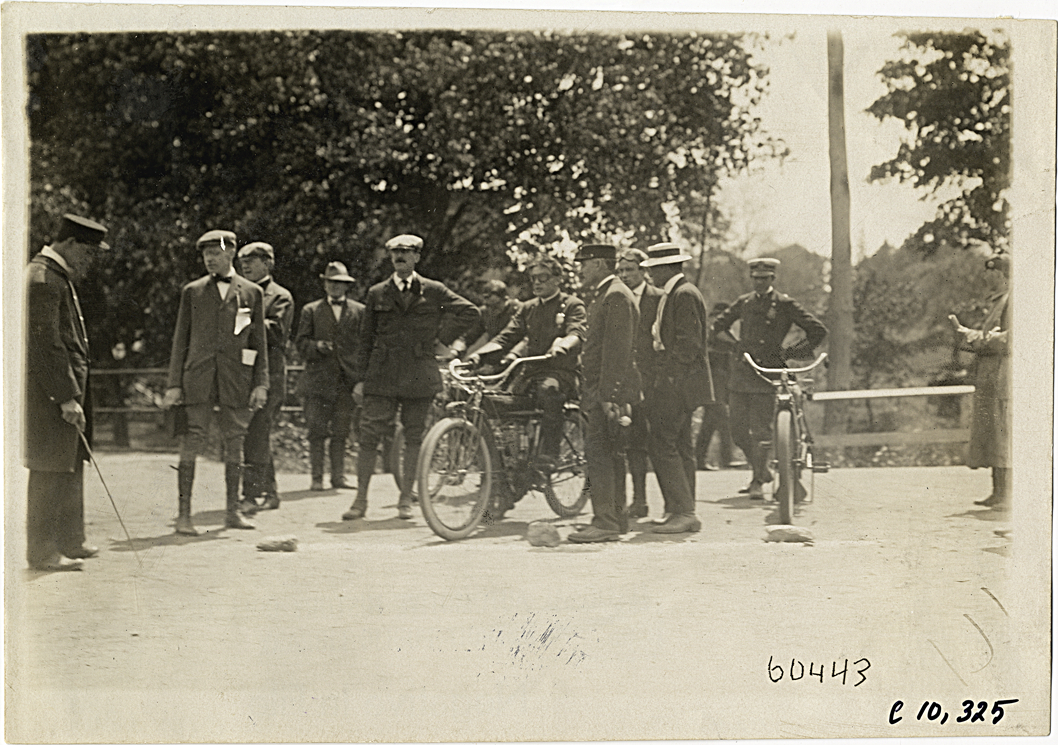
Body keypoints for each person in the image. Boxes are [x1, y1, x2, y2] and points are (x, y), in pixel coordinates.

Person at [344, 234, 479, 521]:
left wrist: (440, 340)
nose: (400, 257)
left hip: (419, 375)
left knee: (414, 438)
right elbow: (365, 338)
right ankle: (360, 500)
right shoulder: (377, 293)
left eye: (406, 252)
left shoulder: (434, 291)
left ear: (417, 257)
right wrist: (360, 378)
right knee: (369, 437)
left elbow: (470, 313)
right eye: (395, 252)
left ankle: (405, 500)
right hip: (382, 376)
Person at [163, 230, 269, 534]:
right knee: (191, 441)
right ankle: (184, 516)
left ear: (231, 253)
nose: (209, 258)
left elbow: (257, 342)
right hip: (198, 379)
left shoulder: (251, 293)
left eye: (216, 252)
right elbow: (179, 340)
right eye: (205, 253)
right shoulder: (192, 291)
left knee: (235, 442)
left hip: (236, 379)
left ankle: (232, 513)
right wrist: (174, 384)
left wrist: (260, 383)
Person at [24, 214, 109, 571]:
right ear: (70, 244)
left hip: (67, 387)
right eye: (88, 253)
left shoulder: (56, 276)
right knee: (50, 468)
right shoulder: (43, 278)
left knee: (71, 463)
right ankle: (42, 552)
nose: (89, 262)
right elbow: (46, 345)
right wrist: (65, 396)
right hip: (52, 394)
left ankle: (71, 541)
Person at [712, 258, 827, 500]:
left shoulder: (785, 304)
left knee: (762, 430)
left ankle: (756, 479)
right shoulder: (743, 303)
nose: (760, 283)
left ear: (773, 279)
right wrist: (735, 347)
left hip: (769, 374)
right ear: (751, 279)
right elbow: (717, 327)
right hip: (743, 373)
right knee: (738, 431)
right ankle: (762, 469)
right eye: (756, 278)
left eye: (765, 279)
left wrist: (790, 353)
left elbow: (818, 331)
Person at [467, 255, 586, 476]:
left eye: (544, 278)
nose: (538, 283)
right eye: (534, 279)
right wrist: (478, 355)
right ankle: (507, 465)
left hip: (560, 373)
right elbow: (506, 337)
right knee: (498, 404)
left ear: (558, 279)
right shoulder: (527, 308)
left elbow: (576, 332)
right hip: (530, 373)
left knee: (548, 391)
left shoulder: (571, 304)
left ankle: (549, 454)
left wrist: (563, 345)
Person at [568, 244, 640, 543]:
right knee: (612, 454)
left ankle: (605, 522)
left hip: (607, 392)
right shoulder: (611, 293)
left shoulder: (614, 295)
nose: (579, 270)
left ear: (598, 264)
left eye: (583, 264)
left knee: (600, 455)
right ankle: (615, 519)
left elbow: (617, 351)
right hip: (607, 390)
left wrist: (609, 395)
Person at [640, 243, 714, 534]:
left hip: (679, 384)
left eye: (654, 269)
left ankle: (683, 510)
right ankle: (680, 508)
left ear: (667, 268)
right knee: (681, 446)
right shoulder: (677, 293)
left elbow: (687, 344)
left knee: (661, 443)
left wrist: (667, 378)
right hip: (682, 382)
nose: (650, 275)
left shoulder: (683, 294)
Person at [295, 262, 364, 491]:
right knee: (316, 430)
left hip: (346, 381)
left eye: (340, 284)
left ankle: (338, 476)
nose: (335, 287)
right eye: (331, 282)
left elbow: (365, 346)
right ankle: (316, 478)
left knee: (341, 431)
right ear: (325, 284)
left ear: (347, 286)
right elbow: (300, 343)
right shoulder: (311, 311)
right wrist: (316, 346)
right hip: (318, 381)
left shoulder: (359, 311)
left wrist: (360, 378)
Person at [951, 244, 1011, 510]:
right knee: (992, 432)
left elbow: (1009, 338)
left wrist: (972, 336)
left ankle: (1006, 493)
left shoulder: (1013, 300)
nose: (988, 278)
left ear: (1004, 275)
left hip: (1004, 376)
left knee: (1002, 432)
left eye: (994, 273)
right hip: (990, 376)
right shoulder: (998, 301)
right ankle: (997, 492)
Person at [236, 242, 294, 512]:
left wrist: (243, 319)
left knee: (256, 432)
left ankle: (250, 495)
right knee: (256, 434)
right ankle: (270, 492)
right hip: (246, 373)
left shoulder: (280, 296)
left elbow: (275, 333)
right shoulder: (241, 294)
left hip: (270, 376)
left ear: (268, 263)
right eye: (242, 260)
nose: (245, 265)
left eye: (253, 259)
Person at [615, 247, 662, 519]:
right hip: (626, 380)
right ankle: (638, 500)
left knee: (657, 441)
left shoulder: (659, 299)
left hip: (653, 381)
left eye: (630, 270)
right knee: (631, 441)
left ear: (644, 271)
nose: (625, 275)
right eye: (621, 271)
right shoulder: (617, 297)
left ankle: (675, 503)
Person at [695, 301, 737, 470]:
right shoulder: (713, 331)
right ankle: (727, 458)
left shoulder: (725, 332)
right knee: (722, 419)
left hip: (721, 382)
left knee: (710, 422)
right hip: (712, 382)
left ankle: (699, 458)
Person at [449, 279, 522, 358]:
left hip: (517, 356)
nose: (486, 303)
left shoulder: (520, 309)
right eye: (485, 298)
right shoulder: (485, 312)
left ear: (505, 299)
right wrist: (456, 350)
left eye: (496, 306)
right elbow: (468, 336)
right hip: (494, 355)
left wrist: (514, 353)